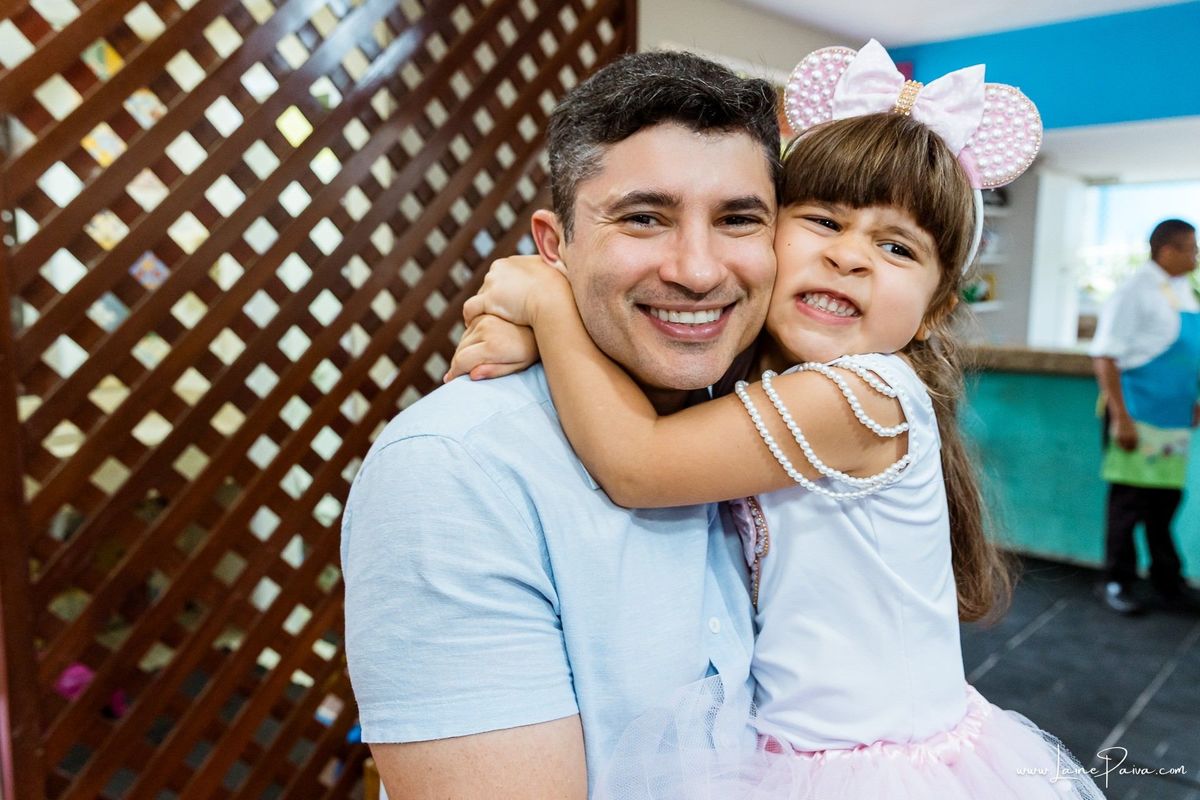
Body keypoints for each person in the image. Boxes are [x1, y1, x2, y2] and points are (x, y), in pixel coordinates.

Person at [460, 40, 1105, 799]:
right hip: (791, 745)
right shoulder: (781, 380)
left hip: (870, 767)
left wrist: (543, 300)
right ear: (767, 238)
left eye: (897, 247)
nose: (850, 258)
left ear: (934, 310)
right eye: (823, 221)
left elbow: (639, 463)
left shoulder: (865, 396)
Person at [340, 50, 781, 798]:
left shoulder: (757, 417)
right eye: (644, 218)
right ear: (553, 246)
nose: (699, 270)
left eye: (739, 220)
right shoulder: (454, 469)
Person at [1090, 218, 1200, 616]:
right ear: (1167, 250)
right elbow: (1104, 356)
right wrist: (1120, 417)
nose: (1196, 256)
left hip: (1171, 419)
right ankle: (1115, 581)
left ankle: (1168, 580)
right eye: (1191, 248)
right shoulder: (1133, 291)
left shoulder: (1182, 289)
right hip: (1136, 415)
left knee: (1166, 502)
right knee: (1129, 504)